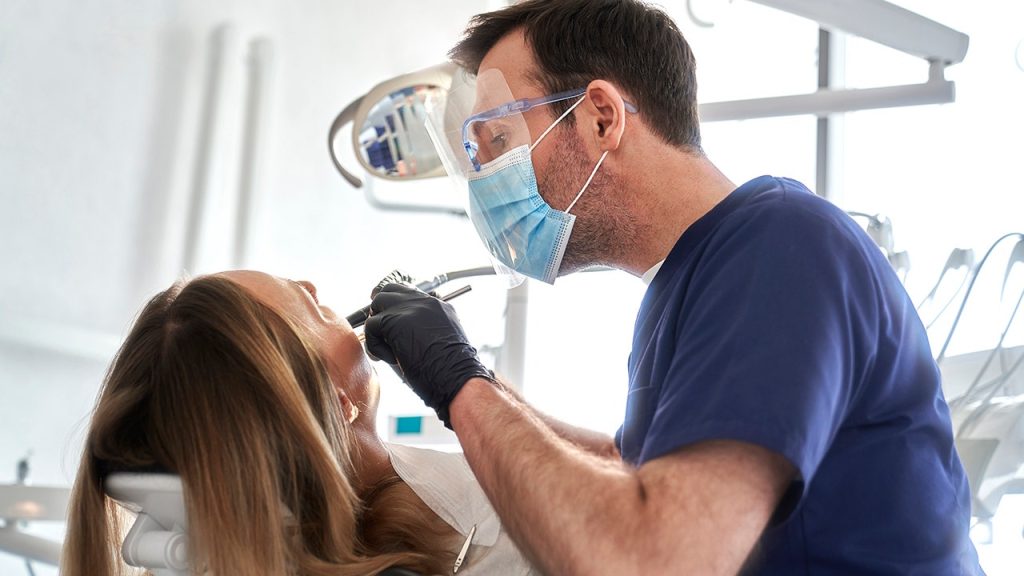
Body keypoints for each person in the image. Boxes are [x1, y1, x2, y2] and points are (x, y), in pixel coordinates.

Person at [363, 1, 984, 574]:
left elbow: (655, 558)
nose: (487, 184)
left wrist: (462, 386)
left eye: (499, 142)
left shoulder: (778, 246)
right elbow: (632, 470)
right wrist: (473, 381)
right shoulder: (684, 283)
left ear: (601, 118)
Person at [61, 271, 537, 576]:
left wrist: (473, 391)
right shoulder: (496, 549)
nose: (311, 284)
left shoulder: (415, 486)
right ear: (336, 403)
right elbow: (581, 494)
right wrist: (467, 387)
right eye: (309, 308)